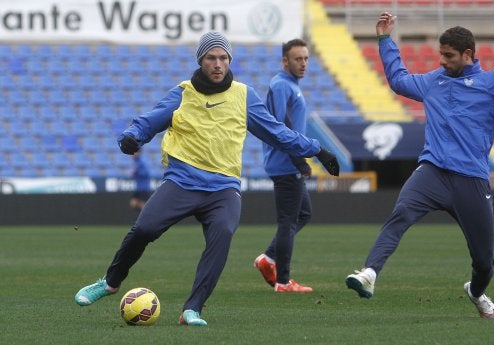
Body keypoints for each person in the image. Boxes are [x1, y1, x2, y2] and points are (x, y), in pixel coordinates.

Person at [74, 31, 340, 327]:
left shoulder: (244, 95)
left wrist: (318, 150)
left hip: (223, 188)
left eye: (223, 58)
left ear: (229, 61)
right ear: (201, 60)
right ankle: (110, 282)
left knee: (222, 235)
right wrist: (131, 137)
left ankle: (192, 309)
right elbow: (150, 120)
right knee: (144, 228)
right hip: (181, 182)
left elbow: (278, 133)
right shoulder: (183, 92)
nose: (218, 64)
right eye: (211, 58)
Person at [345, 12, 494, 319]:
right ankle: (369, 273)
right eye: (440, 54)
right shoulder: (433, 82)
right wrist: (385, 40)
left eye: (448, 55)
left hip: (472, 180)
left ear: (468, 55)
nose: (441, 60)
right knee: (400, 214)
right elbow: (399, 81)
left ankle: (476, 292)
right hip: (433, 172)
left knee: (484, 262)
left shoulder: (493, 83)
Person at [253, 39, 315, 293]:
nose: (303, 64)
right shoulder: (280, 85)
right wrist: (298, 158)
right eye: (297, 59)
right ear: (285, 61)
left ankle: (268, 258)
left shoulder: (291, 85)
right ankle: (283, 281)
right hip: (285, 163)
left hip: (289, 162)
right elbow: (280, 126)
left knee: (303, 214)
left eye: (306, 59)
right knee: (288, 221)